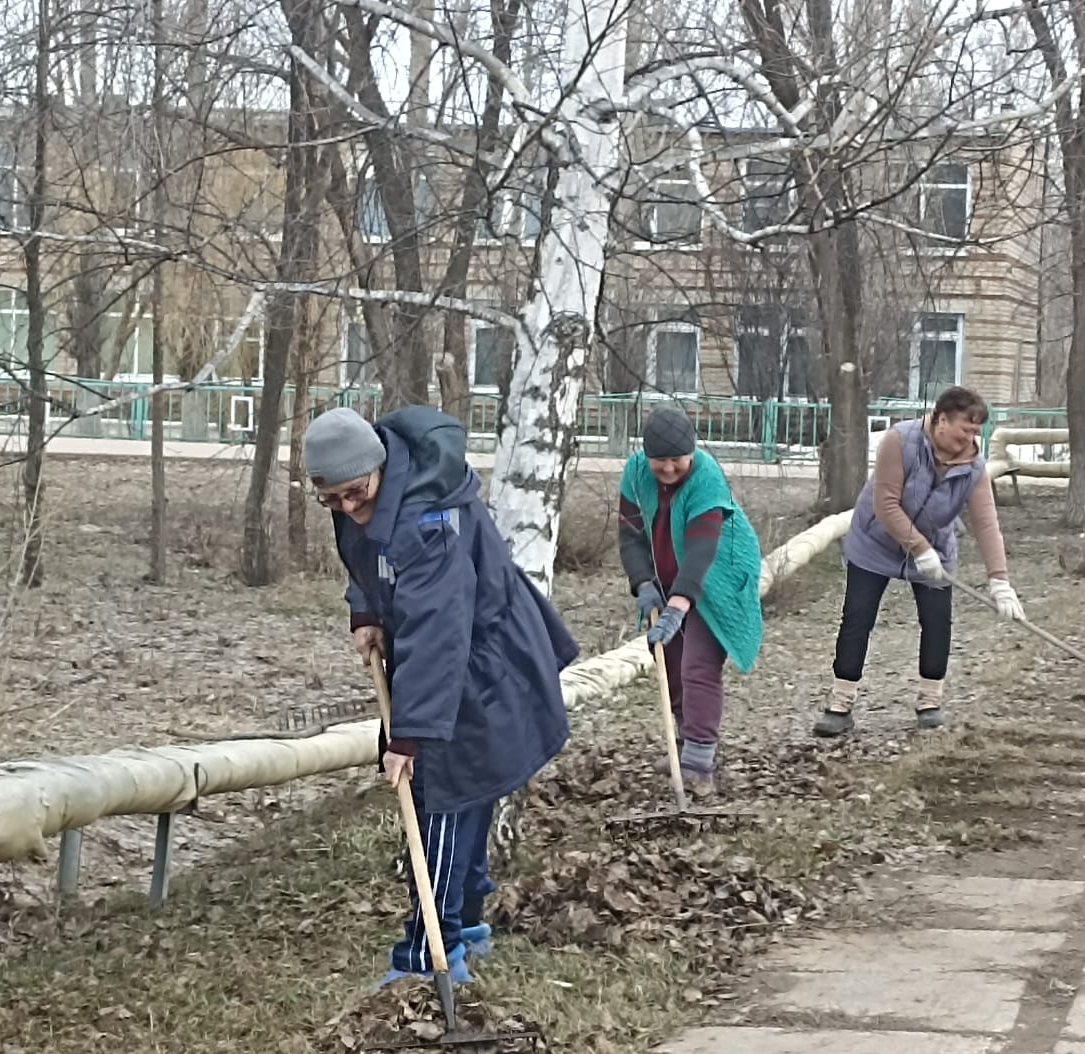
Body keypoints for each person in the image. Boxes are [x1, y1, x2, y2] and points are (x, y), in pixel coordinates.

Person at [304, 403, 579, 985]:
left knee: (445, 800)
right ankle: (467, 927)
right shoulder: (365, 498)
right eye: (333, 501)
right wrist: (366, 611)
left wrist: (409, 733)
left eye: (357, 494)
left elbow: (437, 631)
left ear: (379, 467)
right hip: (447, 660)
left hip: (478, 664)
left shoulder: (428, 521)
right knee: (463, 796)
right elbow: (367, 564)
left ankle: (431, 956)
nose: (349, 510)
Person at [812, 385, 1026, 737]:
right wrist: (918, 548)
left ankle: (930, 700)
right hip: (875, 541)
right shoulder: (900, 441)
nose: (971, 438)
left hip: (936, 548)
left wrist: (999, 582)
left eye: (977, 431)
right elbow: (887, 503)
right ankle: (841, 702)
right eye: (965, 429)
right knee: (857, 616)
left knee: (937, 621)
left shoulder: (972, 466)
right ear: (941, 420)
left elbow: (987, 524)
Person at [617, 406, 765, 797]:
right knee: (672, 656)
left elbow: (701, 547)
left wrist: (680, 604)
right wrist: (643, 583)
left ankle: (699, 760)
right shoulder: (634, 473)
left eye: (676, 461)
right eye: (659, 461)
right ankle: (681, 741)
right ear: (645, 456)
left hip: (719, 569)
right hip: (670, 568)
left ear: (691, 454)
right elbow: (631, 535)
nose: (667, 469)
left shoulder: (706, 478)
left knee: (698, 662)